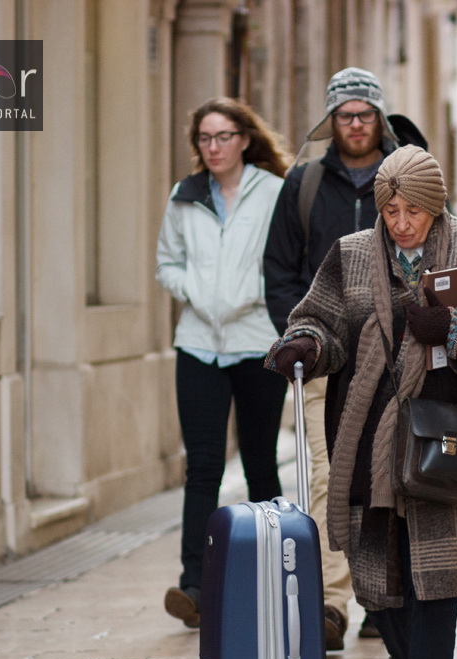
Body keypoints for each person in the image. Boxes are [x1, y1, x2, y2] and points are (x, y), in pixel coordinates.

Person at [265, 145, 457, 659]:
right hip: (367, 443)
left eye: (412, 210)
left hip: (450, 437)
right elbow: (321, 322)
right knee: (377, 581)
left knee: (437, 579)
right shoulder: (351, 255)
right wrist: (303, 344)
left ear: (435, 208)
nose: (401, 222)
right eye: (390, 210)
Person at [263, 67, 401, 648]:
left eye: (364, 114)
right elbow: (279, 271)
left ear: (379, 119)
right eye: (345, 115)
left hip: (395, 364)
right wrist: (302, 336)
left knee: (390, 477)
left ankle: (383, 598)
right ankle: (331, 603)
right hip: (325, 362)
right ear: (331, 121)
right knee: (327, 476)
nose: (355, 124)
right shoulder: (304, 185)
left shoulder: (404, 180)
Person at [156, 98, 291, 628]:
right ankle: (195, 584)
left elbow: (284, 261)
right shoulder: (184, 197)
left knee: (260, 462)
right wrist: (193, 290)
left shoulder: (275, 192)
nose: (213, 147)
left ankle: (274, 576)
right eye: (204, 139)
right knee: (203, 467)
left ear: (244, 139)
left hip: (257, 342)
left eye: (223, 136)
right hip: (198, 346)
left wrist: (251, 297)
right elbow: (167, 262)